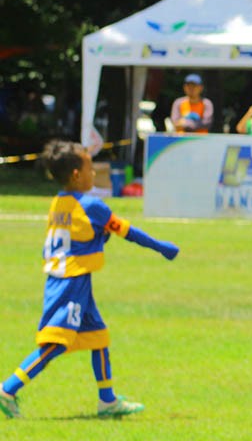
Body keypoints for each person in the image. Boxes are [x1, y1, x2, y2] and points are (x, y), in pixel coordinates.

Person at [0, 140, 179, 420]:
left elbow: (83, 236)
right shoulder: (92, 206)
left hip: (67, 278)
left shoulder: (59, 202)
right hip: (71, 283)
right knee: (56, 342)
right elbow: (127, 232)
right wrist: (161, 247)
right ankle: (8, 389)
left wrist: (100, 237)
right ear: (75, 175)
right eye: (89, 168)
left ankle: (107, 401)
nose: (93, 174)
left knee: (98, 336)